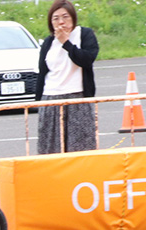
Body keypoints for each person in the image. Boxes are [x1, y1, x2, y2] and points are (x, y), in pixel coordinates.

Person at [35, 0, 98, 154]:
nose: (61, 22)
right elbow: (43, 72)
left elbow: (86, 60)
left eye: (65, 17)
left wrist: (66, 43)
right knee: (51, 148)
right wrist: (37, 102)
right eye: (55, 18)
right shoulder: (49, 42)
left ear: (73, 18)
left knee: (80, 146)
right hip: (51, 98)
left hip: (78, 97)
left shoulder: (84, 34)